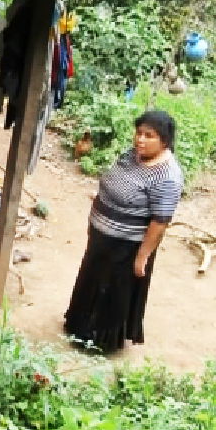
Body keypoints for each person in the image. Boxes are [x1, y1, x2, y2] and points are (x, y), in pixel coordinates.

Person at [64, 110, 183, 354]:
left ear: (165, 141)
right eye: (139, 133)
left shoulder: (168, 176)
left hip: (127, 245)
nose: (140, 139)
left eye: (149, 135)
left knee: (112, 291)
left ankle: (101, 343)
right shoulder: (133, 155)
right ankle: (79, 327)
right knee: (90, 281)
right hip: (102, 235)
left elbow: (160, 221)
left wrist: (142, 257)